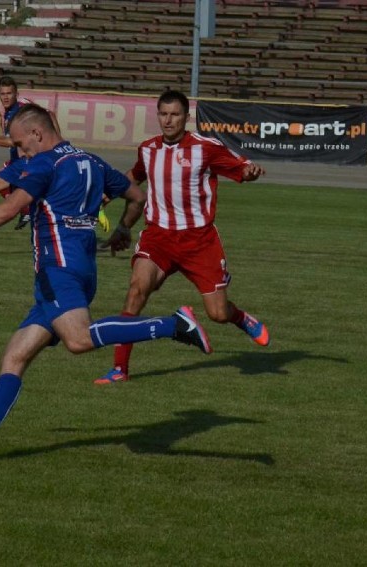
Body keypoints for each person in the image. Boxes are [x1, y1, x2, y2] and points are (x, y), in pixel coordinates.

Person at [0, 104, 213, 464]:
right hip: (78, 270)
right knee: (15, 357)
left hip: (57, 269)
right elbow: (137, 196)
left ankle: (174, 324)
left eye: (21, 143)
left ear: (37, 133)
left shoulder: (45, 163)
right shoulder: (90, 160)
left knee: (78, 340)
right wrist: (124, 228)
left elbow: (9, 208)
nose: (20, 151)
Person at [96, 90, 270, 385]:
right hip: (158, 237)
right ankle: (119, 369)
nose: (168, 120)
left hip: (199, 242)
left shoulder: (206, 147)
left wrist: (250, 172)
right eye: (163, 114)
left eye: (175, 114)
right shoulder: (148, 149)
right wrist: (106, 195)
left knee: (217, 313)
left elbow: (240, 167)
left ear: (186, 117)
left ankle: (240, 317)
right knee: (136, 292)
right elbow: (134, 176)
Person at [0, 76, 109, 250]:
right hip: (18, 162)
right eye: (3, 94)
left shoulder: (21, 110)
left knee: (30, 201)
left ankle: (93, 205)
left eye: (9, 93)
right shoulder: (7, 111)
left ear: (16, 93)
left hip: (28, 162)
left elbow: (20, 136)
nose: (6, 97)